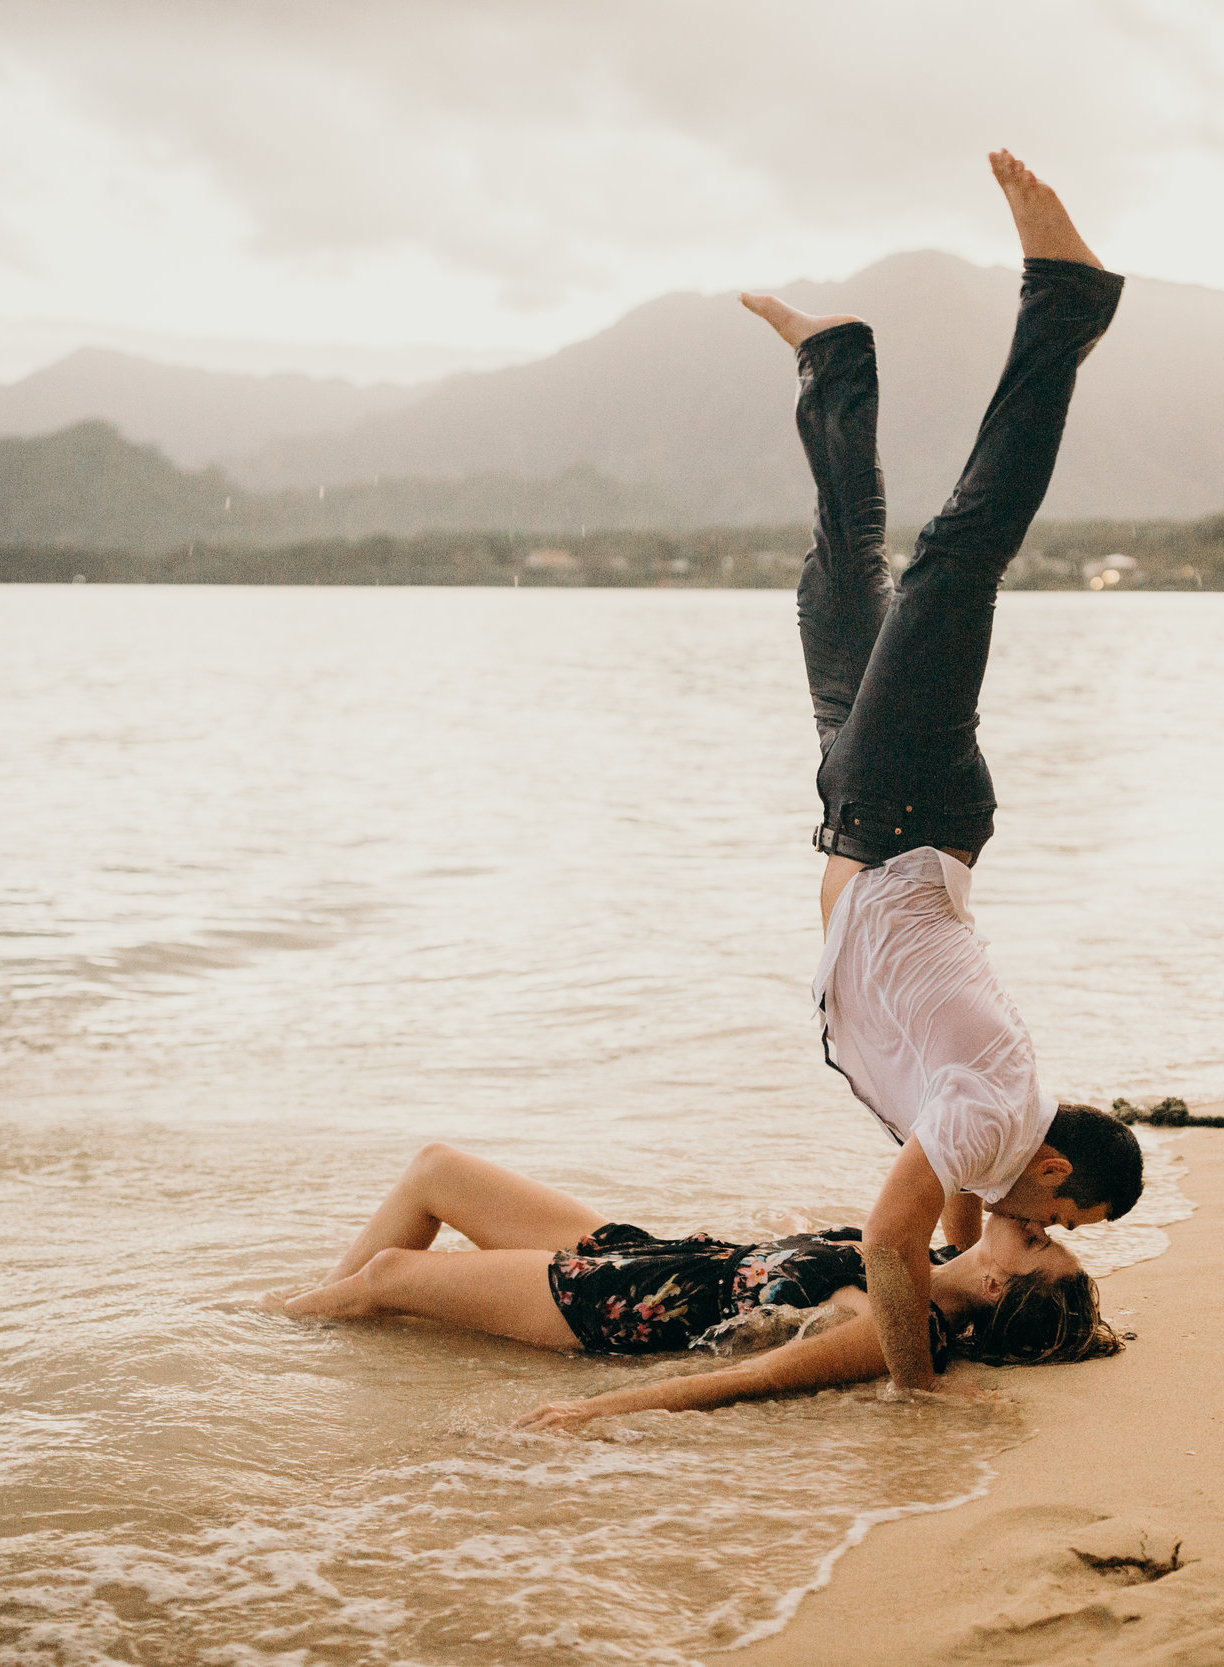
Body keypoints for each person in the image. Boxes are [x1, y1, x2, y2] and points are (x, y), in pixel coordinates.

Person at [736, 151, 1145, 1395]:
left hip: (872, 814)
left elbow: (960, 1228)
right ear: (1058, 1176)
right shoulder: (991, 1123)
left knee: (838, 581)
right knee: (954, 558)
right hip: (902, 809)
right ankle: (1065, 300)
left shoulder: (986, 1147)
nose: (1041, 1237)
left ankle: (837, 365)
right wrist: (915, 1392)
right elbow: (890, 1241)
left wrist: (996, 1258)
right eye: (1061, 1225)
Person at [258, 1143, 1120, 1429]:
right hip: (647, 1253)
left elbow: (756, 1378)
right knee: (436, 1169)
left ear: (1002, 1282)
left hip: (611, 1309)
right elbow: (971, 1155)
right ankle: (315, 1327)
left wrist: (595, 1412)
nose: (1042, 1220)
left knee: (391, 1275)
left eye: (1047, 1242)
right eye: (1054, 1226)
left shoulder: (899, 1327)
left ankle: (260, 1333)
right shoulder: (924, 1254)